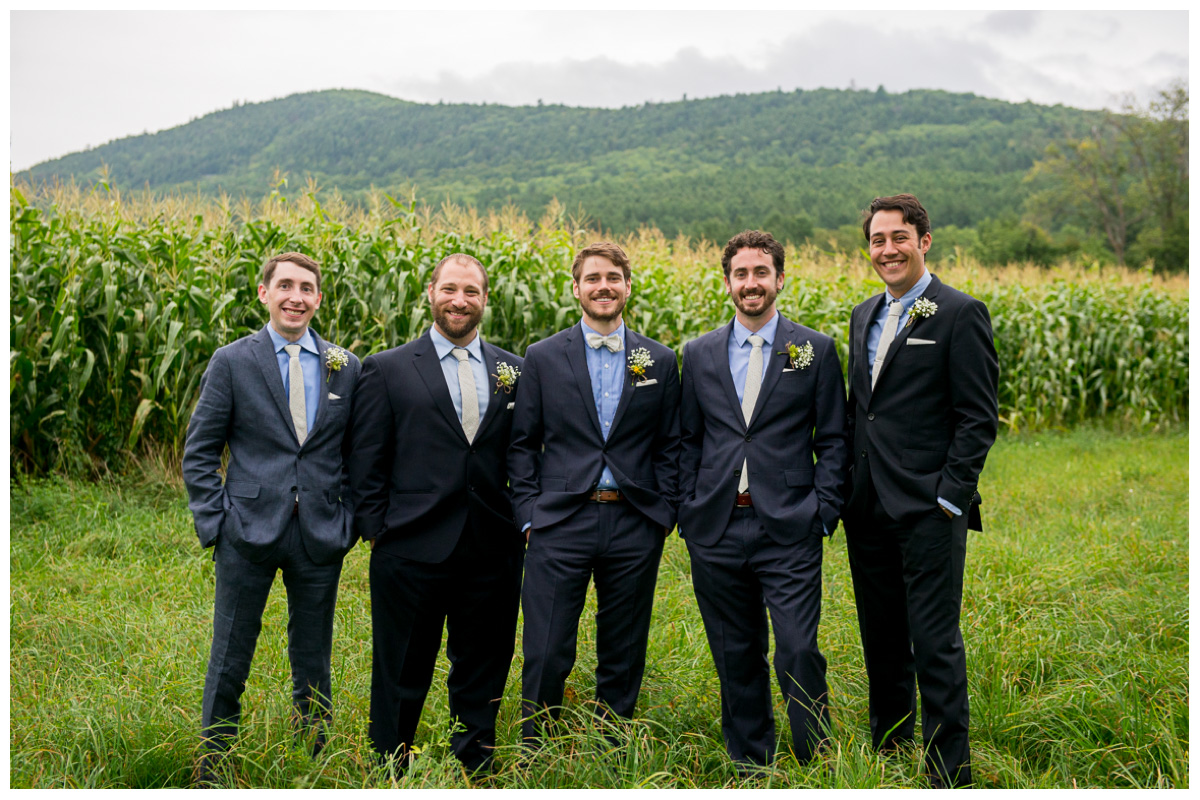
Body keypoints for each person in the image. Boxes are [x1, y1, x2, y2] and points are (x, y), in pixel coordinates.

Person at [182, 251, 361, 786]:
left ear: (319, 299)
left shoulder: (344, 366)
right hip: (247, 530)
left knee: (314, 657)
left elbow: (356, 453)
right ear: (263, 293)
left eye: (307, 288)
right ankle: (213, 765)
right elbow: (199, 451)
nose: (295, 297)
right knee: (230, 654)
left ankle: (313, 762)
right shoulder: (233, 361)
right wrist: (217, 523)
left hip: (319, 534)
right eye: (285, 285)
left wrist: (345, 519)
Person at [843, 194, 999, 788]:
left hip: (929, 509)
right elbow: (866, 412)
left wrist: (950, 497)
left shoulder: (959, 313)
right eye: (878, 240)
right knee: (880, 635)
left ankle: (946, 769)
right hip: (868, 505)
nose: (888, 249)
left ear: (924, 241)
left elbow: (977, 417)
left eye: (898, 237)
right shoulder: (863, 315)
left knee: (933, 640)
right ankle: (889, 743)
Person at [677, 229, 848, 771]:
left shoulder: (813, 350)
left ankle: (813, 756)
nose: (751, 283)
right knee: (735, 651)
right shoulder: (698, 353)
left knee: (797, 648)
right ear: (728, 282)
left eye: (761, 273)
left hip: (790, 524)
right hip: (717, 526)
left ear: (779, 278)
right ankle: (751, 760)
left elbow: (836, 439)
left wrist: (822, 510)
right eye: (741, 274)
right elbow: (687, 439)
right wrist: (688, 506)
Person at [347, 253, 524, 773]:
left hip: (492, 547)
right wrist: (377, 529)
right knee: (402, 666)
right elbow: (366, 458)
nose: (459, 300)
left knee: (483, 666)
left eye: (471, 291)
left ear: (485, 299)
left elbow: (524, 451)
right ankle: (389, 767)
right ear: (430, 292)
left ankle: (476, 765)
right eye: (450, 289)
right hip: (410, 546)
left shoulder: (514, 370)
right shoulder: (389, 367)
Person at [508, 241, 681, 748]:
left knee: (623, 644)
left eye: (613, 278)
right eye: (592, 279)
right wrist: (528, 514)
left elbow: (671, 443)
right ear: (577, 288)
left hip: (634, 520)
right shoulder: (542, 357)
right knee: (546, 644)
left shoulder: (659, 359)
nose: (603, 287)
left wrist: (663, 514)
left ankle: (613, 741)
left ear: (628, 285)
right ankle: (534, 743)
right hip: (560, 520)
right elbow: (522, 444)